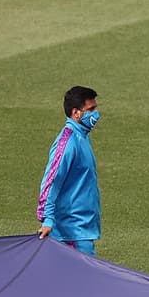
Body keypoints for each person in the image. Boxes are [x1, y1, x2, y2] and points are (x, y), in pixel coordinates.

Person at [37, 86, 102, 256]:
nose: (96, 114)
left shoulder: (81, 137)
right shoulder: (67, 143)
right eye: (91, 109)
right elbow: (51, 182)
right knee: (84, 281)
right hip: (70, 232)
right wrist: (47, 219)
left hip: (82, 229)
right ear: (76, 113)